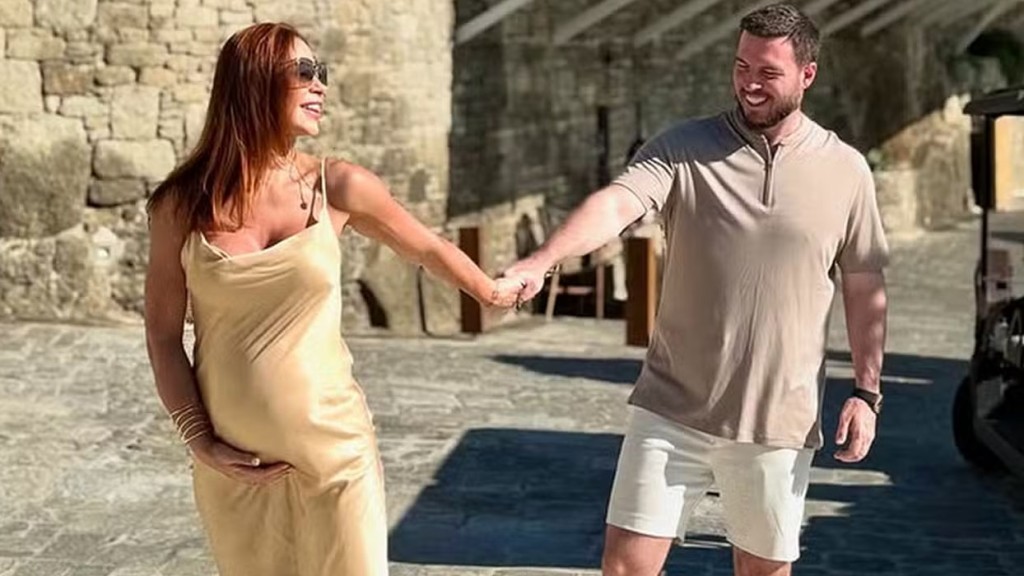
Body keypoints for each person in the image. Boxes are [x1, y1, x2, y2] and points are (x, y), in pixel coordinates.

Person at [504, 4, 889, 576]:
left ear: (808, 74)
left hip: (777, 418)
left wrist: (866, 392)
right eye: (741, 67)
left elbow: (864, 284)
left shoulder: (847, 170)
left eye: (768, 72)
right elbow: (617, 204)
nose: (750, 84)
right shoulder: (683, 147)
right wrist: (542, 260)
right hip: (672, 406)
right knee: (625, 568)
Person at [143, 22, 523, 576]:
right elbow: (161, 334)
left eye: (321, 72)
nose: (320, 85)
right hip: (234, 466)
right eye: (304, 72)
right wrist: (199, 440)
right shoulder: (181, 204)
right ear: (254, 82)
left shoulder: (338, 185)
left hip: (337, 454)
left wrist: (491, 290)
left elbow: (425, 247)